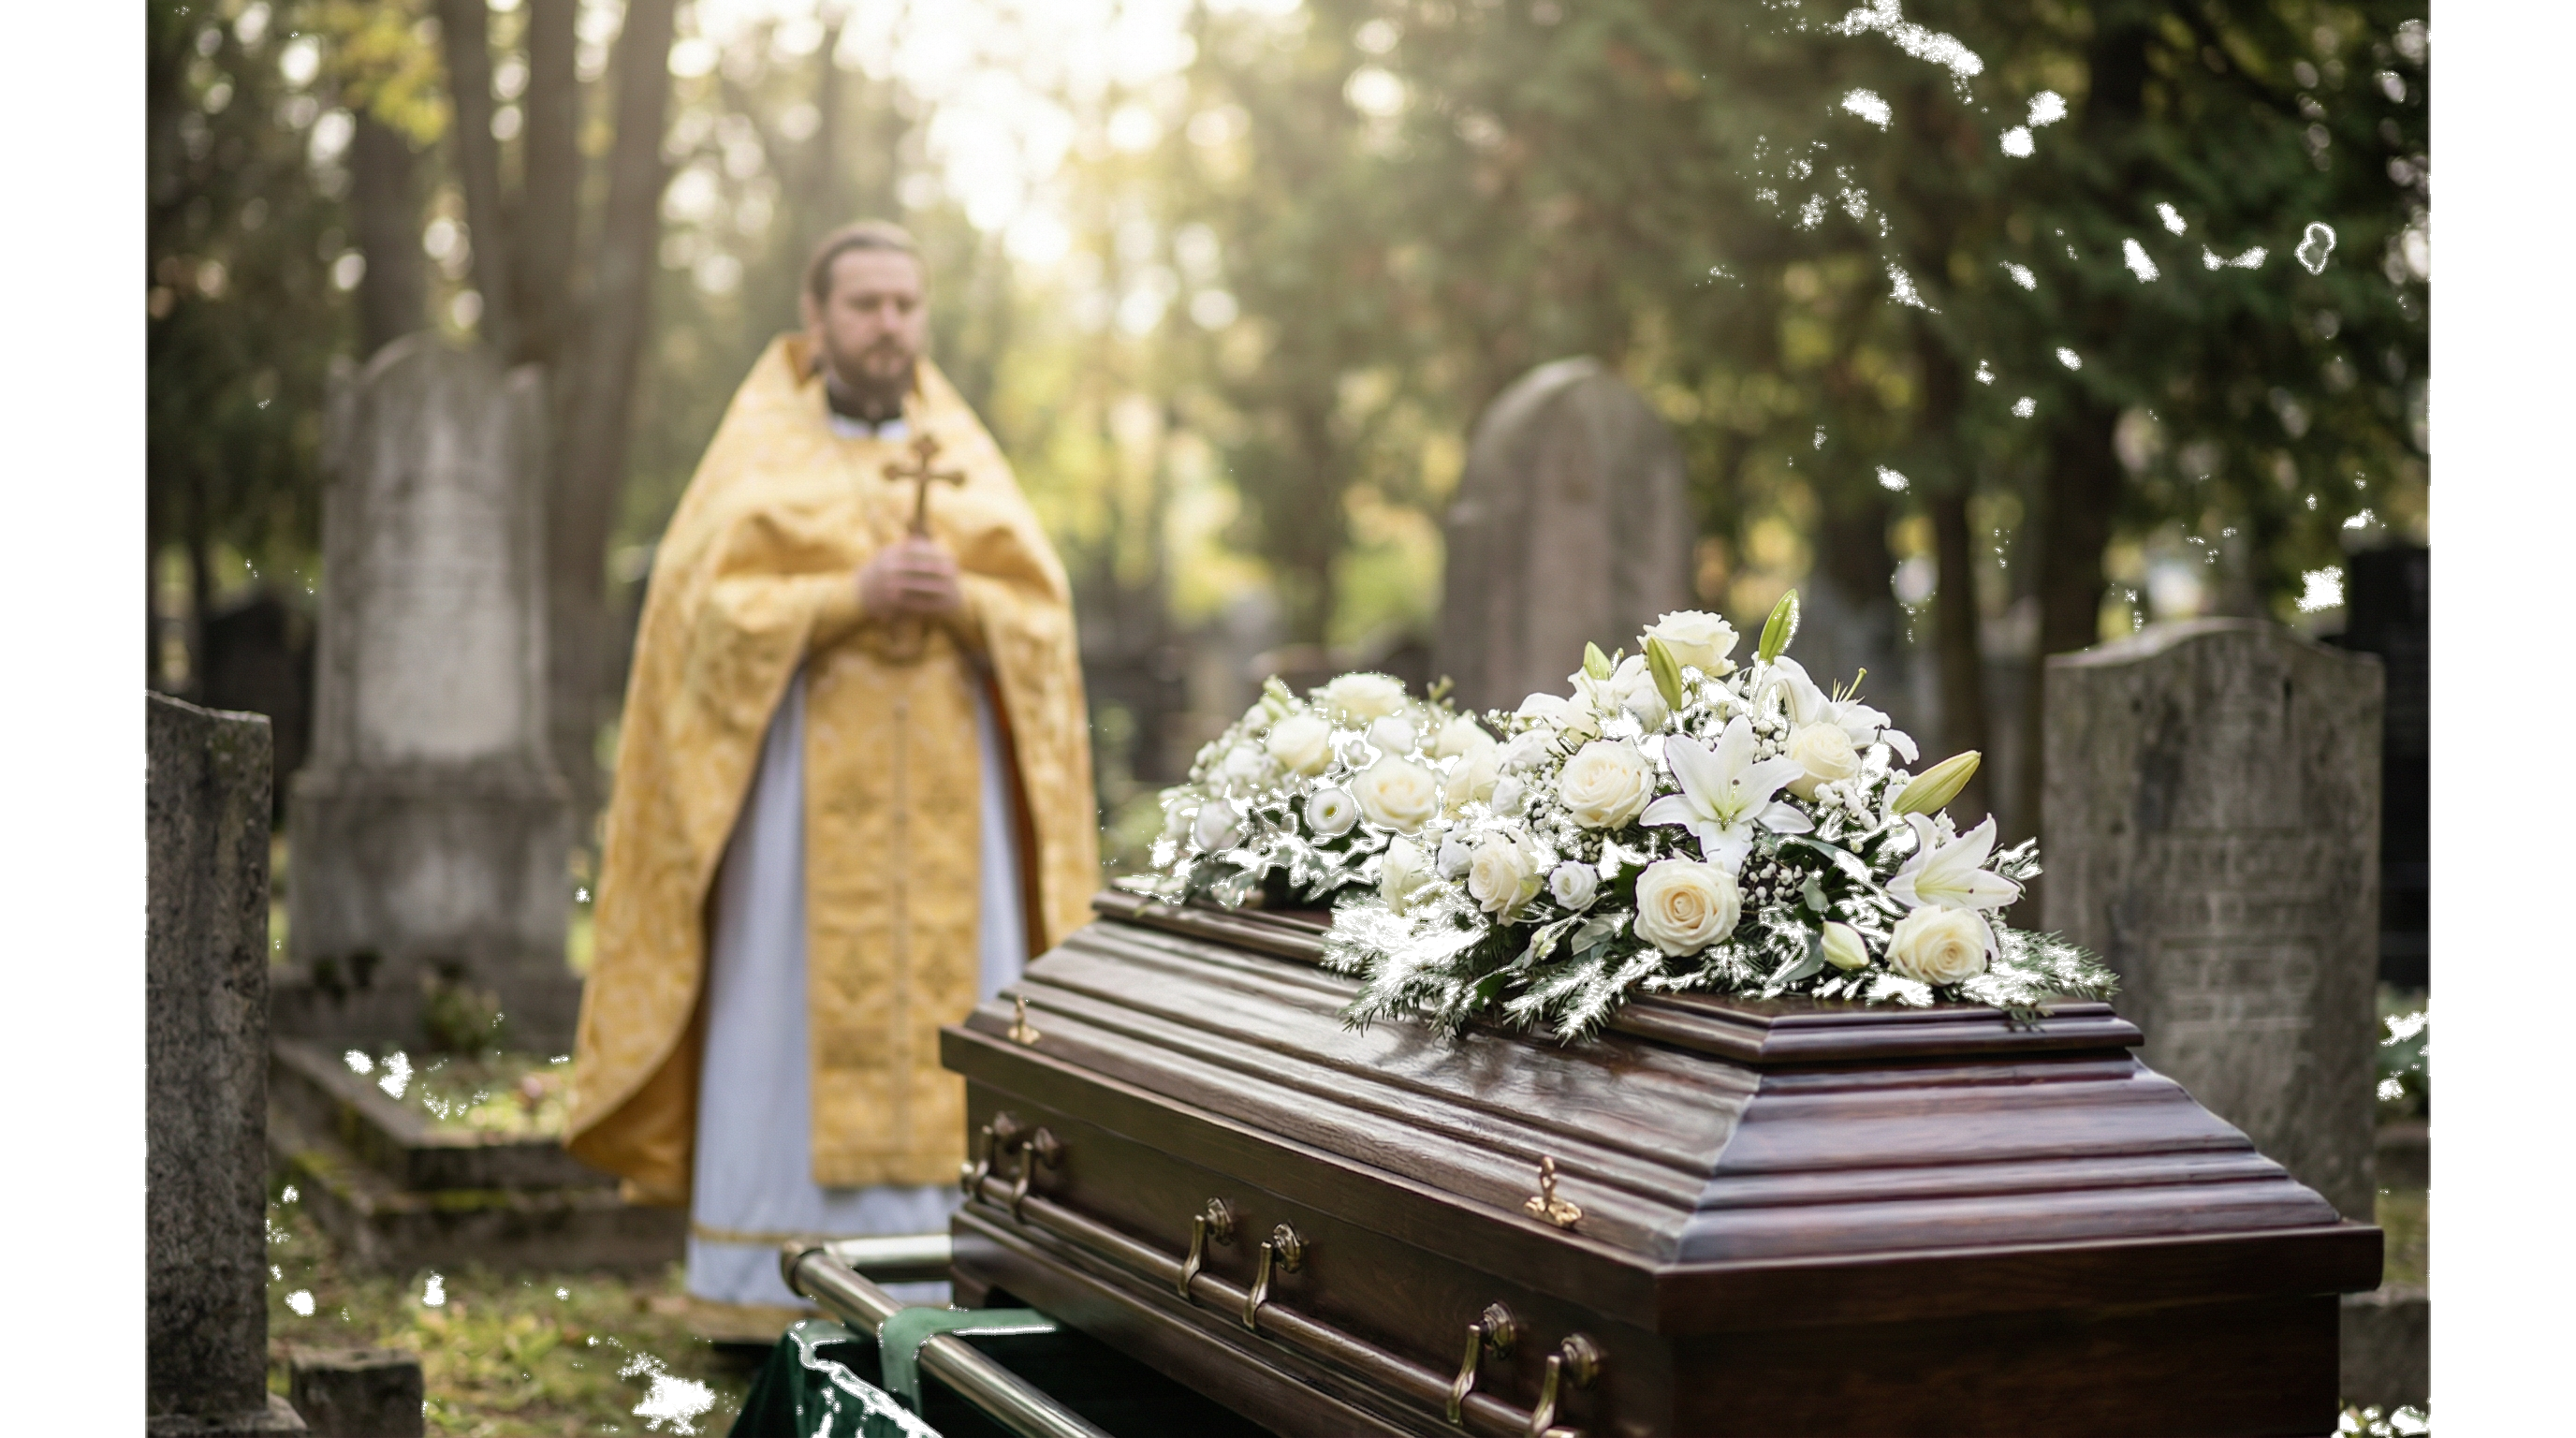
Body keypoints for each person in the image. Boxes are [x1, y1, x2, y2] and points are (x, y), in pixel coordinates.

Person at [565, 221, 1098, 1328]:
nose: (889, 324)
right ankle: (767, 1275)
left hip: (957, 818)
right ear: (815, 319)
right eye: (864, 304)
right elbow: (699, 627)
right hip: (798, 822)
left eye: (906, 303)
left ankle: (969, 1264)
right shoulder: (757, 452)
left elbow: (1041, 622)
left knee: (966, 1008)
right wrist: (844, 597)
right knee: (784, 1012)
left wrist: (969, 606)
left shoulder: (964, 452)